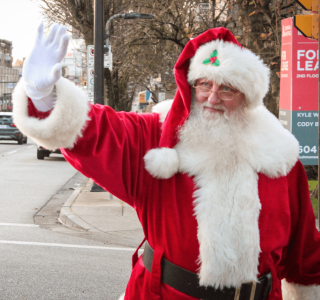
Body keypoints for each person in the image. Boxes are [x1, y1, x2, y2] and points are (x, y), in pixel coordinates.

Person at [12, 22, 320, 300]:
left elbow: (305, 254)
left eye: (227, 88)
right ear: (191, 87)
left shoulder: (278, 157)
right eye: (204, 85)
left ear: (247, 97)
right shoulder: (156, 139)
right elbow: (99, 133)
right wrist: (44, 96)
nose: (213, 99)